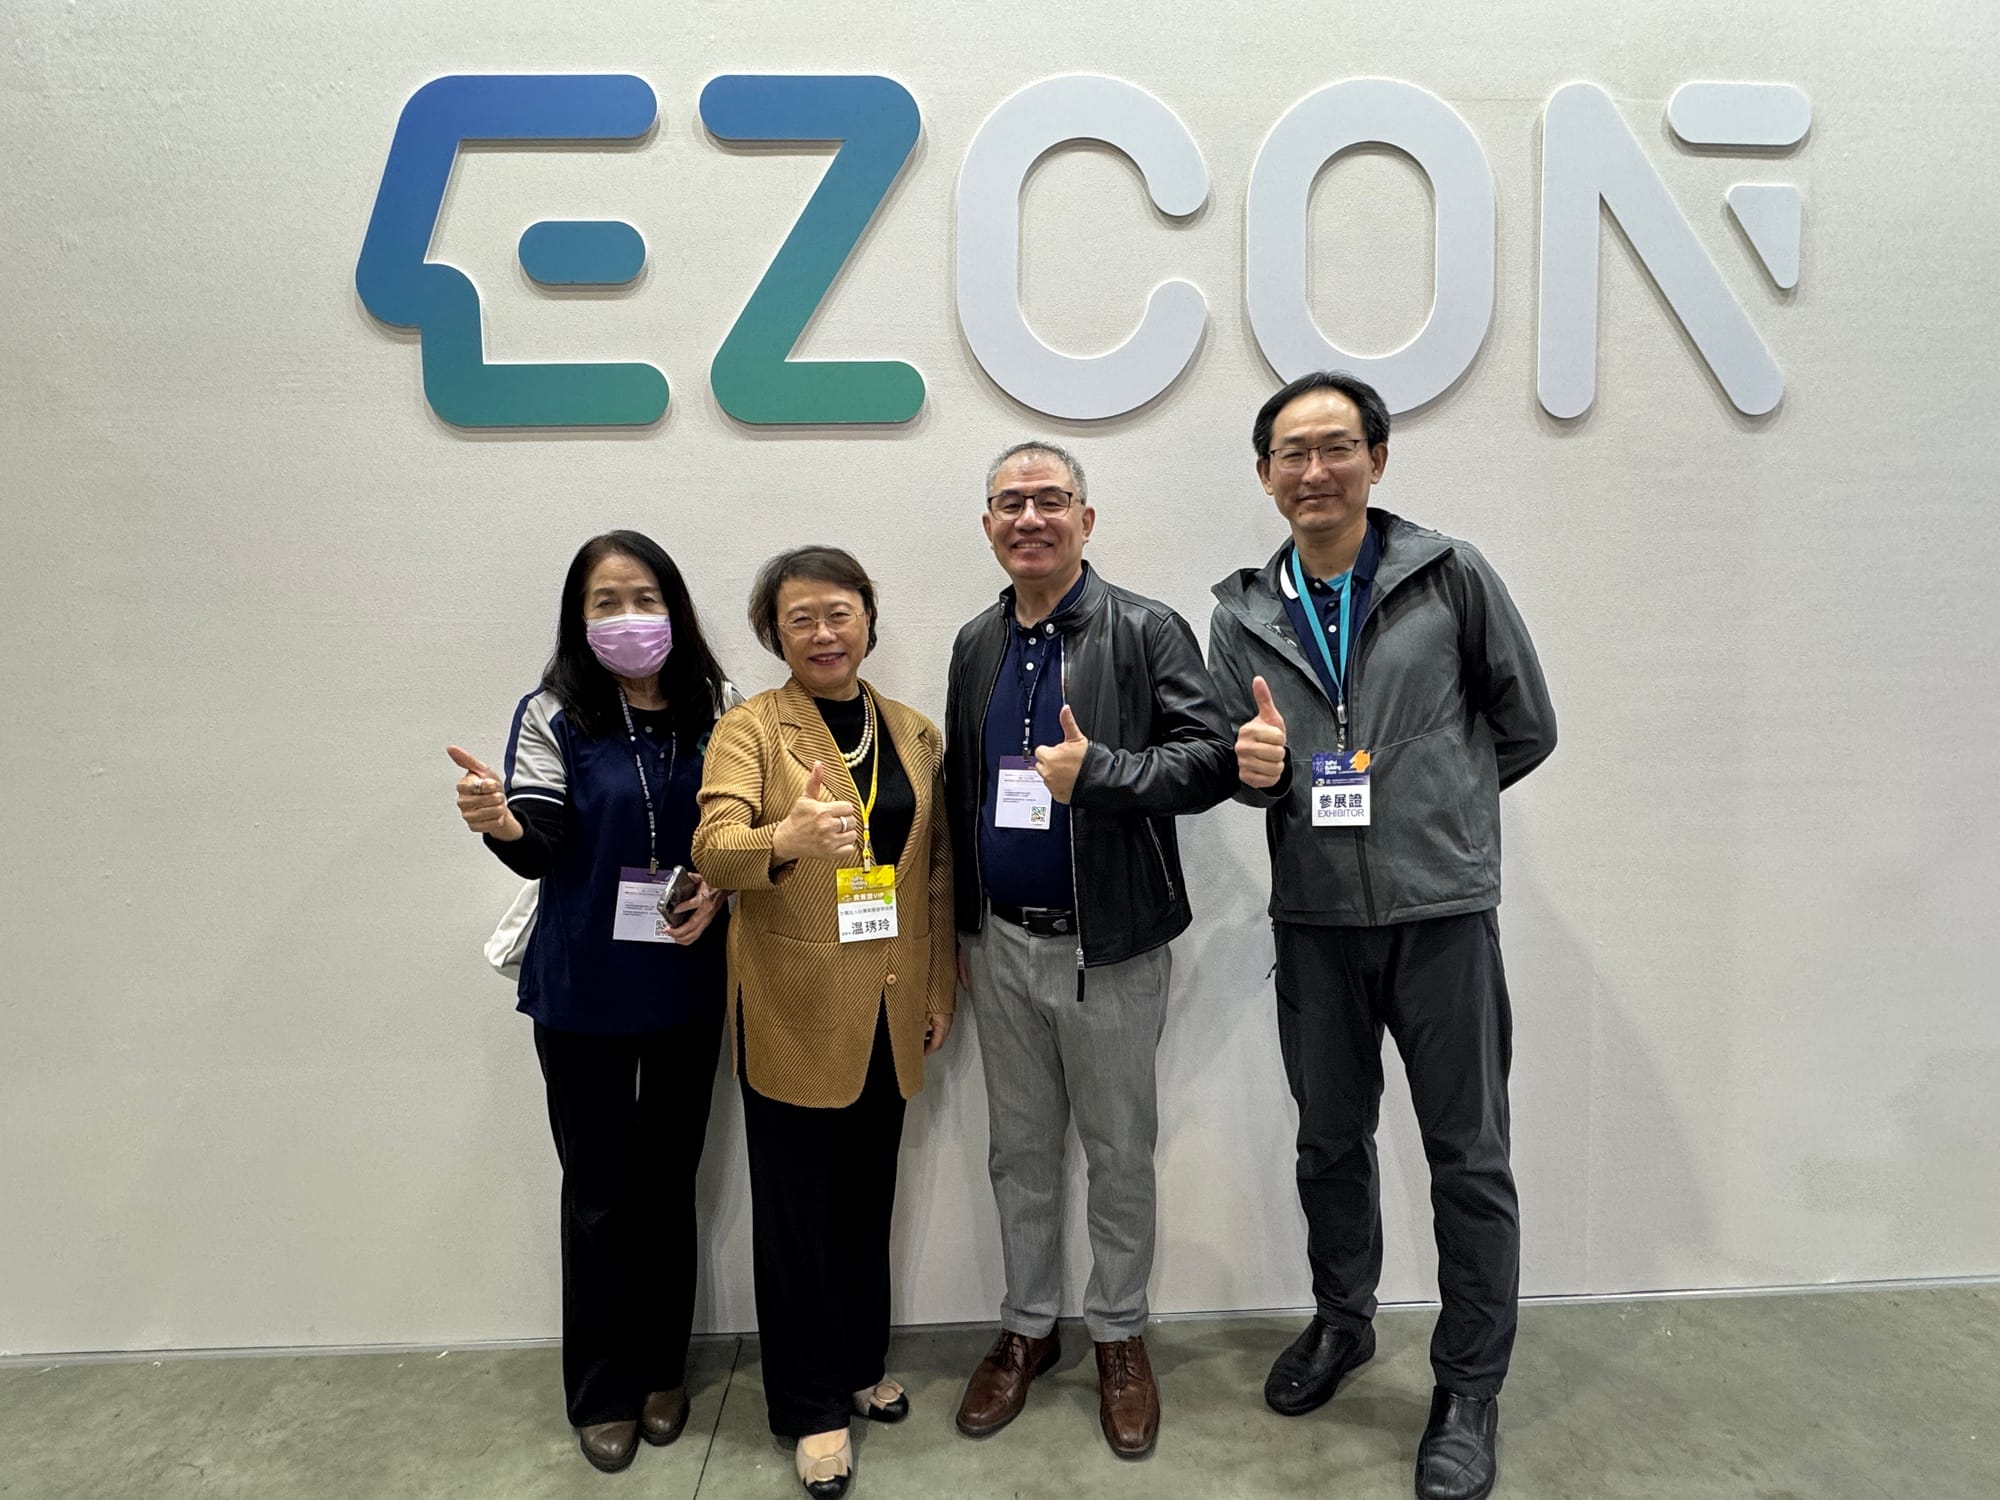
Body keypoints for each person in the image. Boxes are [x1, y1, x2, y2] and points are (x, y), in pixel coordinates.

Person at [1207, 372, 1557, 1500]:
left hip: (1440, 917)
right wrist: (1254, 771)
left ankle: (1467, 1387)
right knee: (1328, 1141)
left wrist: (1434, 820)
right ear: (1265, 475)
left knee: (1469, 1157)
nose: (1314, 470)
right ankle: (1342, 1320)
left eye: (1335, 447)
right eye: (1291, 453)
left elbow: (1525, 726)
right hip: (1314, 922)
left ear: (1376, 459)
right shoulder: (1241, 615)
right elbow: (1244, 768)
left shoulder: (1448, 576)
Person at [943, 440, 1237, 1460]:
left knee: (1117, 1154)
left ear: (1086, 518)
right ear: (988, 525)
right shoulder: (976, 642)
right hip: (1001, 947)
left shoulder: (1145, 628)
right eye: (1009, 503)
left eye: (1049, 500)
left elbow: (1212, 762)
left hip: (1107, 948)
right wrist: (960, 931)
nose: (1029, 518)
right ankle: (1028, 1327)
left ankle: (1117, 1334)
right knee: (1018, 1153)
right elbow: (963, 792)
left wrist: (1101, 771)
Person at [447, 530, 734, 1474]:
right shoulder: (553, 714)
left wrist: (722, 887)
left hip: (687, 977)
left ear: (674, 607)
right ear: (579, 618)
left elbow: (736, 830)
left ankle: (662, 1371)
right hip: (582, 989)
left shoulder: (718, 705)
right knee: (602, 1194)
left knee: (671, 1183)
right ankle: (603, 1388)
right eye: (605, 602)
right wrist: (501, 823)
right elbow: (542, 841)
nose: (628, 618)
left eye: (644, 598)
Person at [691, 546, 955, 1500]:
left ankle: (858, 1363)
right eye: (799, 618)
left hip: (891, 1003)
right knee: (798, 1216)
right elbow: (713, 849)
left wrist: (937, 988)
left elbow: (936, 870)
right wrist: (784, 839)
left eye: (838, 612)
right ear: (775, 635)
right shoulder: (750, 729)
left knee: (866, 1198)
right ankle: (810, 1408)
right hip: (792, 1008)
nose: (823, 633)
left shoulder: (914, 731)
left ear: (868, 619)